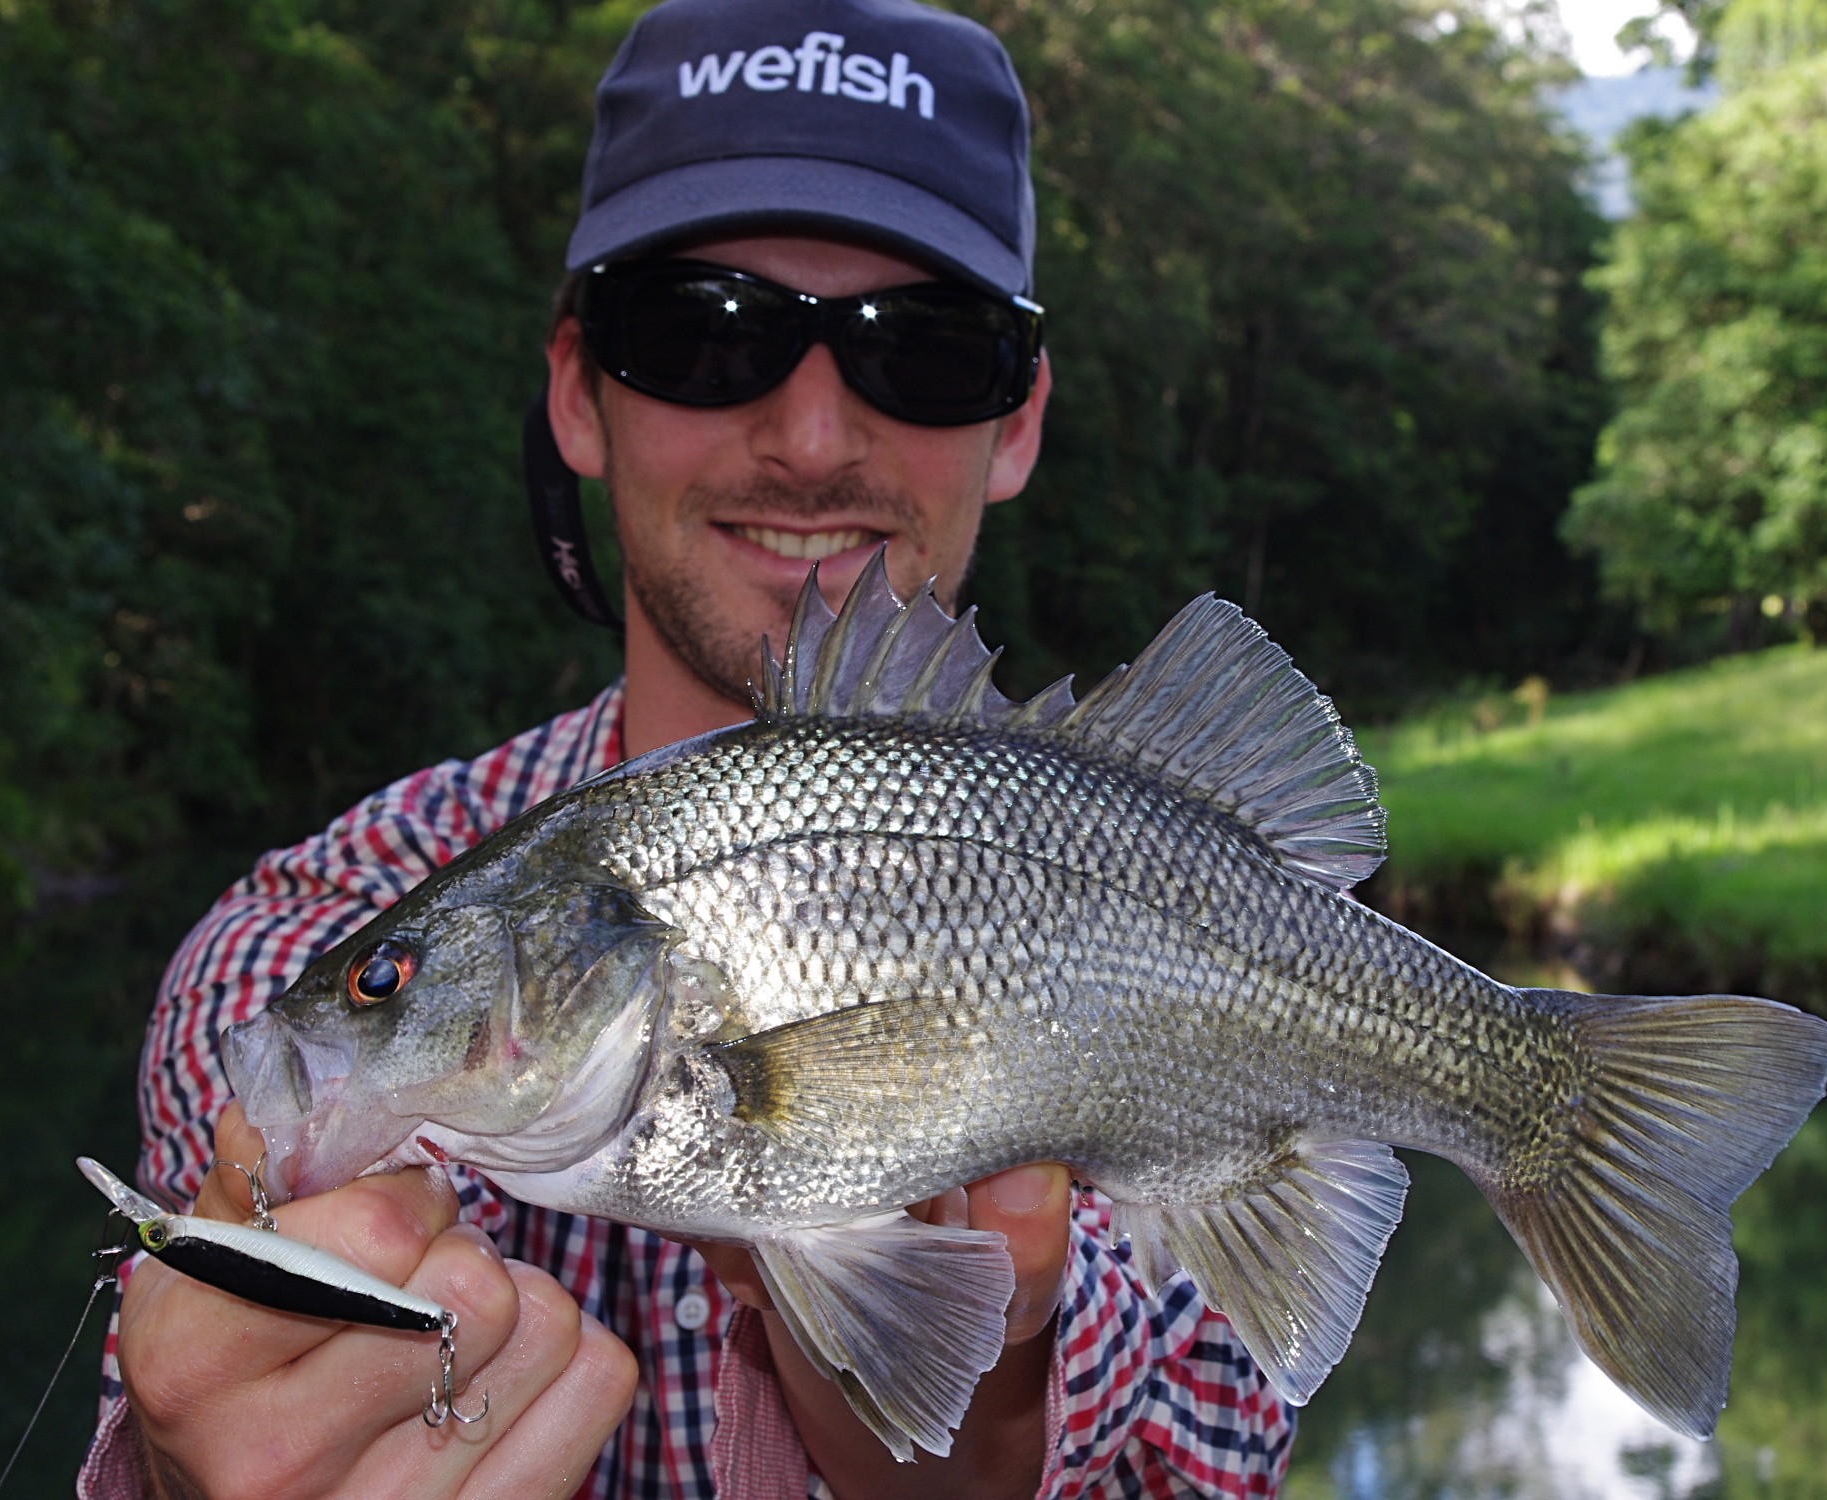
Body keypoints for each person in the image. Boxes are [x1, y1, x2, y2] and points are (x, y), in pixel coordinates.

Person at [80, 1, 1296, 1495]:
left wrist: (986, 1417)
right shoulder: (294, 936)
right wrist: (186, 1461)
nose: (806, 435)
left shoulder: (1218, 917)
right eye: (705, 331)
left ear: (1020, 415)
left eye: (921, 351)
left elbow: (1215, 1423)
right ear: (579, 389)